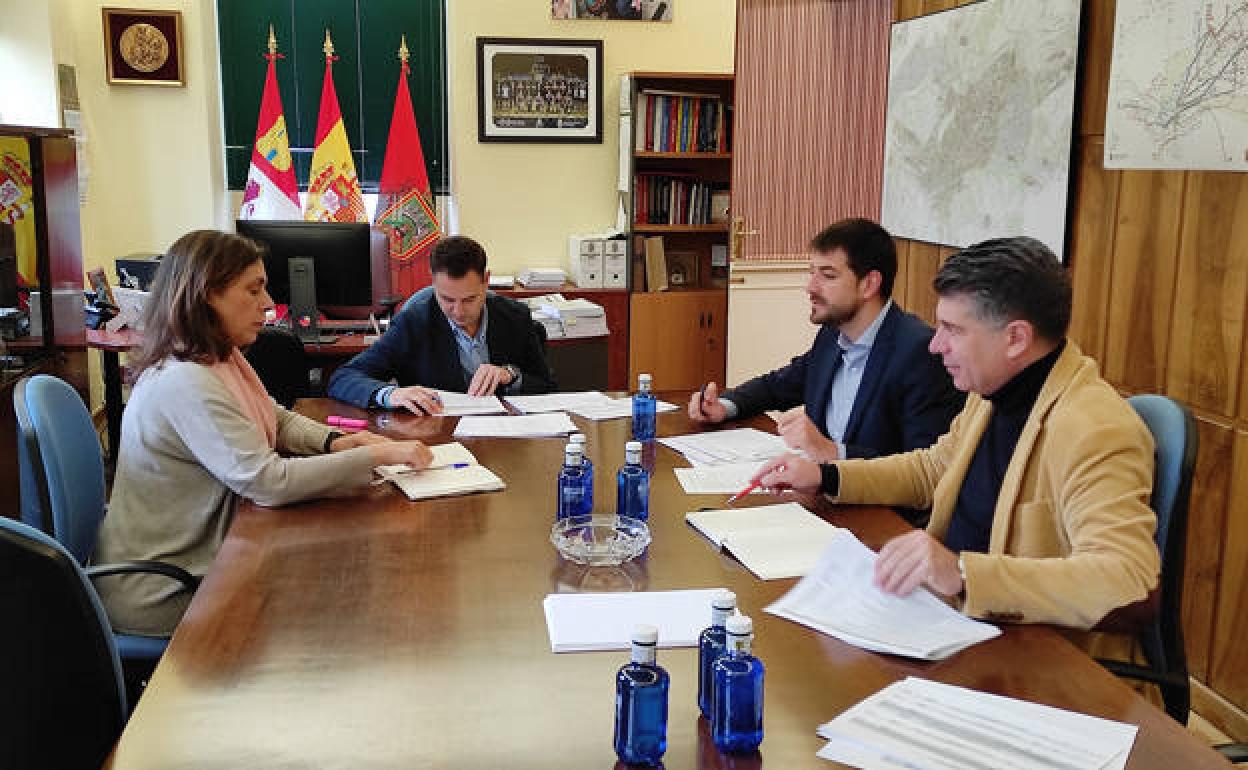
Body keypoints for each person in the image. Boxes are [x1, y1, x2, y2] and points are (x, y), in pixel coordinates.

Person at [752, 236, 1159, 654]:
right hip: (950, 622)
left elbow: (1130, 582)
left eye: (952, 330)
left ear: (1016, 338)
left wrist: (963, 573)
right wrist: (825, 475)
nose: (935, 345)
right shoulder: (994, 391)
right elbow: (933, 469)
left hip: (1028, 655)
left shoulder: (1095, 428)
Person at [95, 230, 433, 637]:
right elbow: (267, 482)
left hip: (212, 558)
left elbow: (275, 416)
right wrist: (375, 458)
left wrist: (338, 441)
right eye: (253, 290)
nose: (269, 304)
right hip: (168, 589)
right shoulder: (185, 382)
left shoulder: (219, 355)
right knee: (342, 601)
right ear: (207, 295)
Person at [689, 219, 962, 509]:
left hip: (879, 520)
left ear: (869, 284)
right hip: (822, 500)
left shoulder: (920, 352)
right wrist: (725, 407)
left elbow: (922, 468)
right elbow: (780, 384)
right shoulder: (833, 334)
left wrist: (832, 452)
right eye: (811, 273)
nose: (810, 287)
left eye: (828, 275)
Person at [328, 235, 555, 414]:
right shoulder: (413, 323)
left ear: (486, 281)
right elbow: (344, 377)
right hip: (437, 436)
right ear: (433, 281)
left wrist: (510, 374)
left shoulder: (515, 317)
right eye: (447, 299)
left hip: (505, 437)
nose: (458, 311)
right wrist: (388, 394)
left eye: (469, 299)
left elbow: (547, 385)